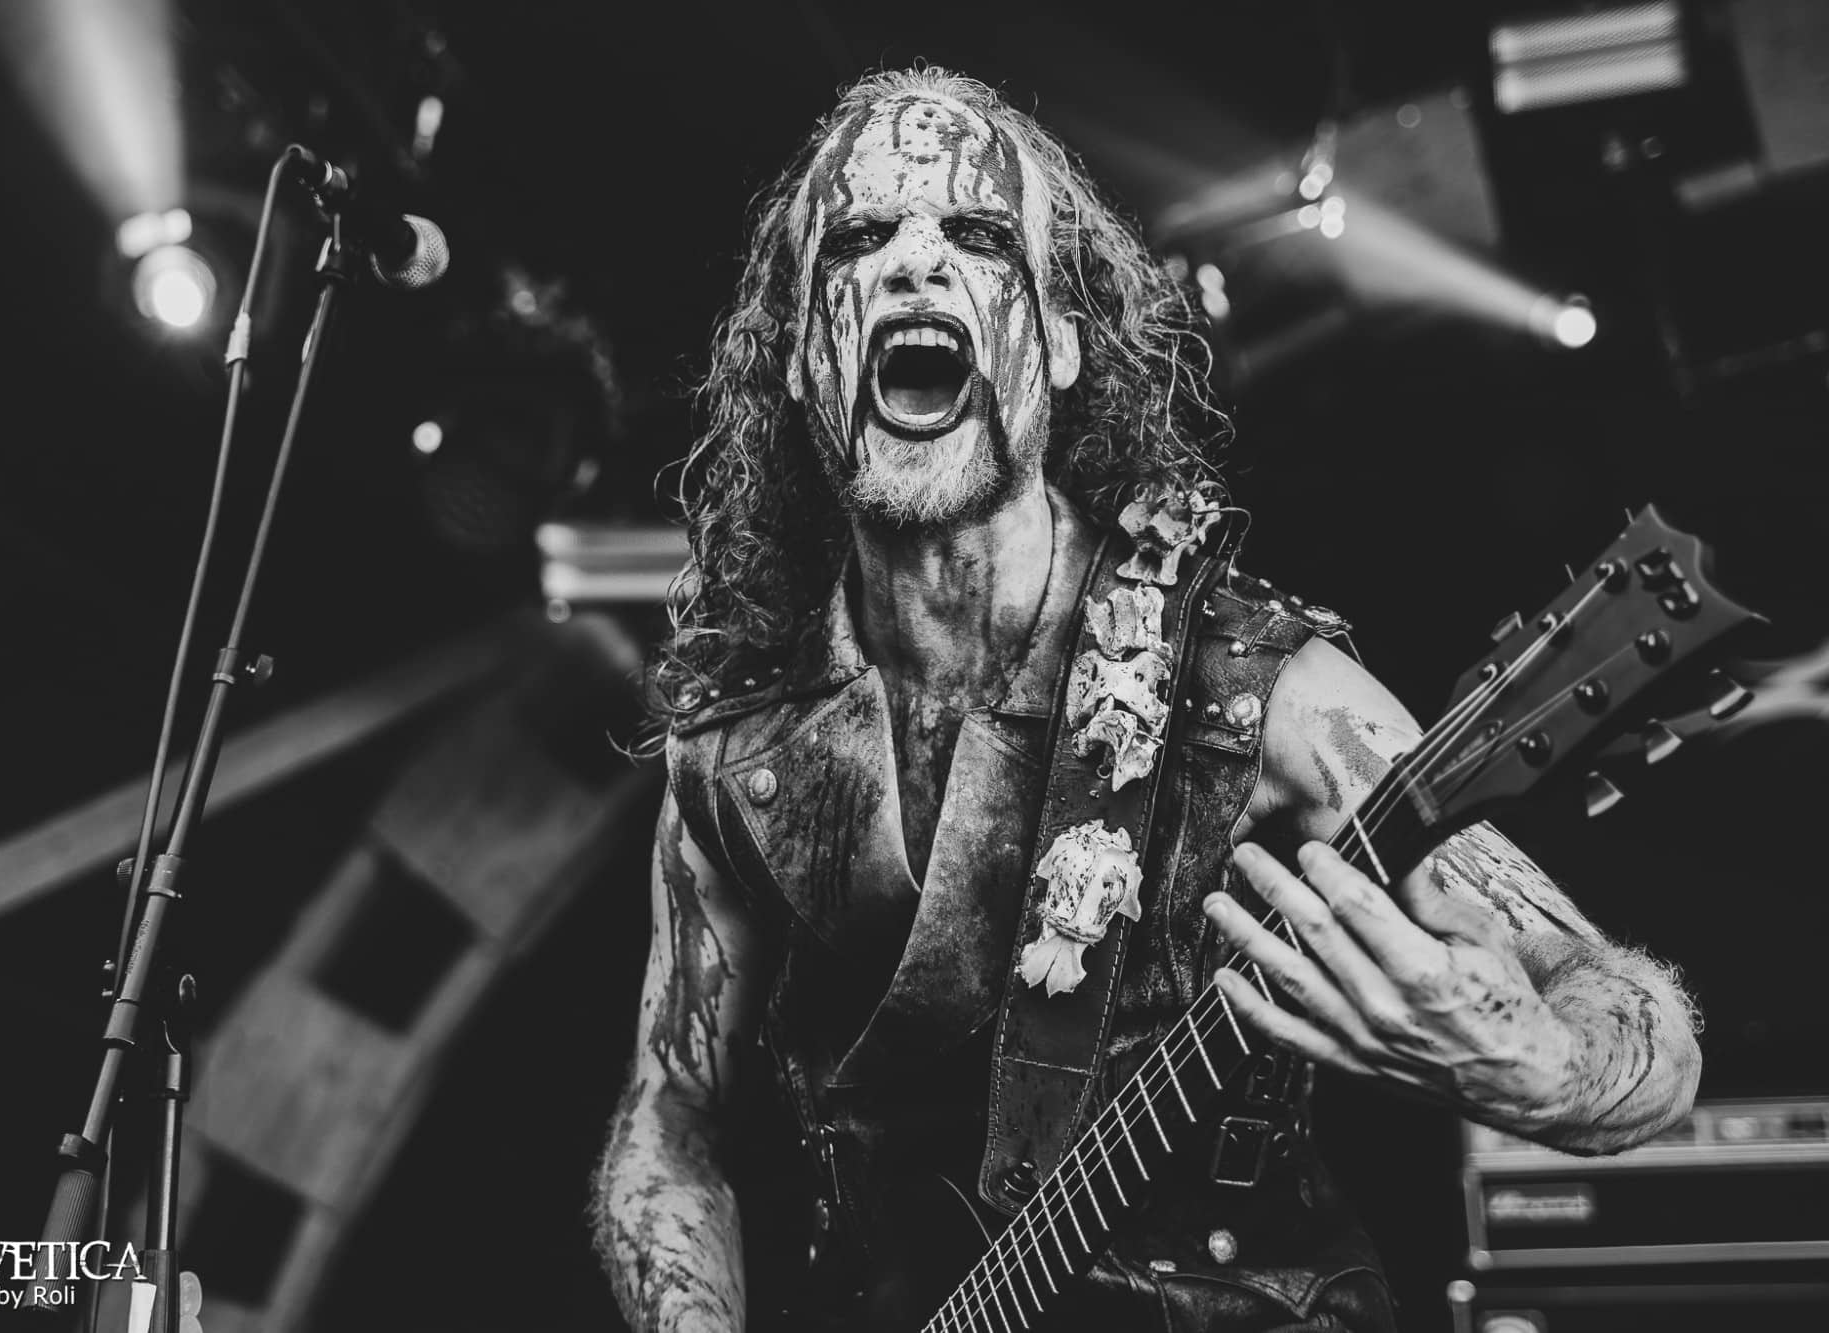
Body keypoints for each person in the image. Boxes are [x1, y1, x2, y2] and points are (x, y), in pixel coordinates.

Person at [589, 67, 1701, 1331]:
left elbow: (1634, 1021)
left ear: (1062, 345)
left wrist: (1541, 1064)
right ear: (800, 357)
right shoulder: (737, 757)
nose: (912, 264)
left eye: (976, 234)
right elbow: (671, 1114)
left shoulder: (1251, 692)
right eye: (858, 237)